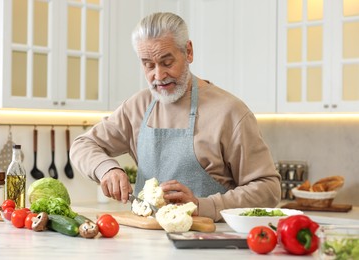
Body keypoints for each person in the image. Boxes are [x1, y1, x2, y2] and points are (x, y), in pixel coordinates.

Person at [70, 12, 281, 222]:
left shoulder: (231, 112)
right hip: (146, 245)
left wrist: (203, 206)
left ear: (188, 52)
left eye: (167, 62)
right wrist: (106, 169)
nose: (158, 76)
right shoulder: (138, 106)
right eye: (148, 65)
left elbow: (268, 189)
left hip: (210, 243)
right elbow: (83, 144)